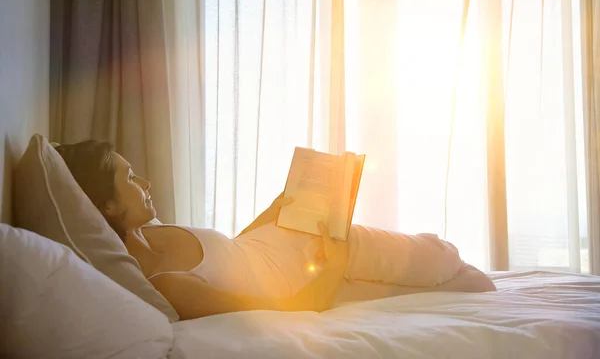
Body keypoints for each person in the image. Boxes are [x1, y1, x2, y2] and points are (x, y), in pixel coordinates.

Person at [56, 140, 496, 320]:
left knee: (450, 265)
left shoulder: (153, 231)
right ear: (108, 205)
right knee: (446, 260)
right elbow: (282, 310)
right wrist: (334, 266)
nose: (145, 184)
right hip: (318, 261)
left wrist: (271, 211)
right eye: (130, 179)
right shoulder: (166, 286)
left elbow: (229, 253)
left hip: (291, 234)